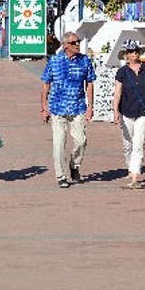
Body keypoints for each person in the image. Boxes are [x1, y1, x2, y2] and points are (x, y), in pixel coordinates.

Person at [41, 32, 96, 188]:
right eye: (73, 43)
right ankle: (61, 175)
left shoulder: (85, 61)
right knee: (58, 144)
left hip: (78, 107)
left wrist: (90, 106)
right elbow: (46, 85)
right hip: (57, 108)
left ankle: (74, 165)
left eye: (78, 42)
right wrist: (44, 108)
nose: (77, 44)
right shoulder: (54, 61)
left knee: (81, 141)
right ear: (65, 45)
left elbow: (90, 83)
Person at [112, 40, 145, 189]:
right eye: (130, 51)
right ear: (126, 55)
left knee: (138, 144)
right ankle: (130, 166)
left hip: (143, 111)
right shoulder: (122, 72)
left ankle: (135, 176)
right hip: (126, 111)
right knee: (128, 142)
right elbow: (117, 93)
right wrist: (115, 111)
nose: (134, 54)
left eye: (136, 51)